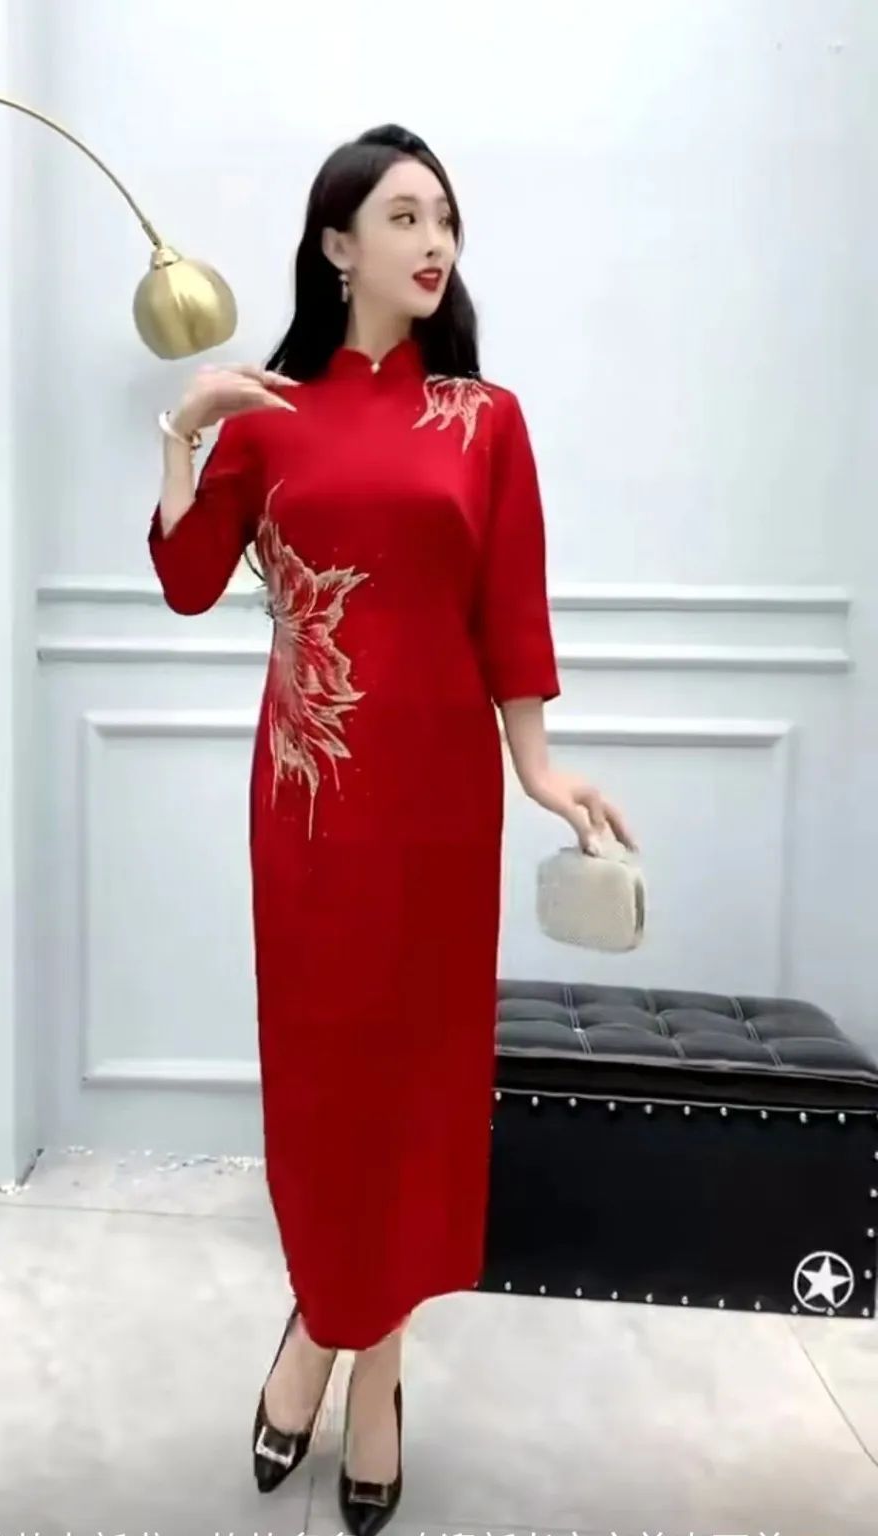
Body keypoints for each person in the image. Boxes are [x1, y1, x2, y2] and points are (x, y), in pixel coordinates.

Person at [147, 122, 636, 1534]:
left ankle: (371, 1368)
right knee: (327, 1077)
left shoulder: (484, 420)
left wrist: (539, 769)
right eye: (406, 217)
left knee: (417, 1085)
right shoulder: (267, 418)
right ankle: (326, 1324)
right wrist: (183, 432)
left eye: (446, 220)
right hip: (312, 800)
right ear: (337, 245)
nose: (435, 243)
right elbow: (188, 579)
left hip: (438, 805)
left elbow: (510, 609)